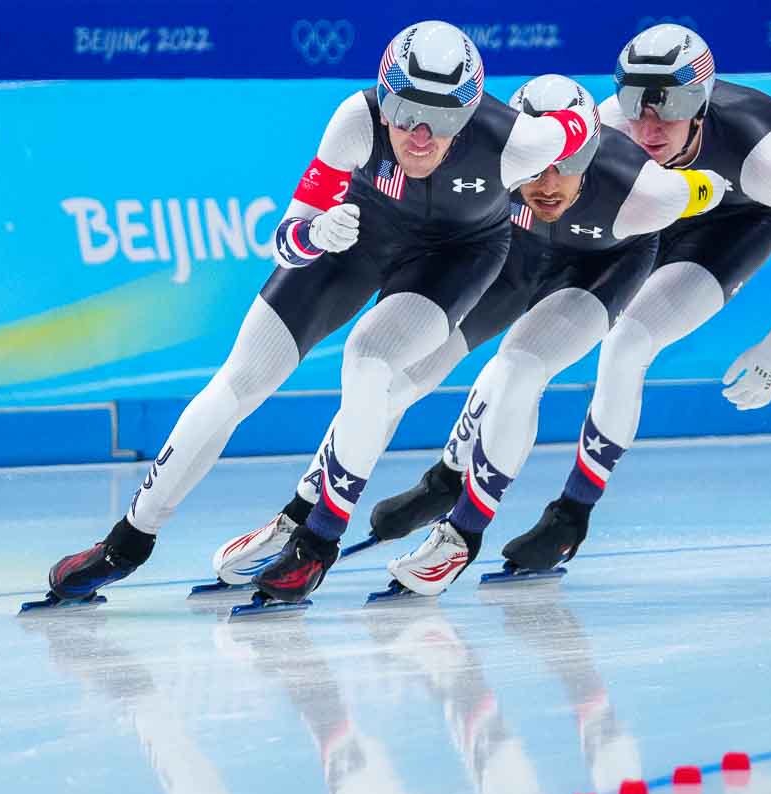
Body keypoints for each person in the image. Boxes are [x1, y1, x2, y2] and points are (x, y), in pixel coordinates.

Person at [31, 20, 608, 609]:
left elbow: (584, 123)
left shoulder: (518, 141)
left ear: (468, 114)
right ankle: (127, 540)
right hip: (357, 236)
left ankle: (316, 542)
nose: (417, 134)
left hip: (457, 257)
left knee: (368, 364)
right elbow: (285, 238)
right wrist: (314, 234)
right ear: (384, 100)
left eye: (441, 120)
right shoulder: (355, 121)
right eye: (405, 111)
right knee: (239, 381)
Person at [212, 74, 726, 597]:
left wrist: (718, 192)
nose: (548, 184)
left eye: (567, 167)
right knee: (395, 382)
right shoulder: (491, 161)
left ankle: (463, 533)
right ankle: (303, 514)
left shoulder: (646, 191)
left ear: (587, 155)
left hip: (600, 269)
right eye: (538, 168)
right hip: (516, 259)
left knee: (519, 368)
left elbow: (713, 189)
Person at [497, 23, 771, 573]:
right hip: (655, 208)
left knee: (627, 343)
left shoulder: (767, 161)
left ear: (702, 104)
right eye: (635, 104)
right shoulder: (603, 128)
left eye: (670, 106)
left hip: (735, 222)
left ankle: (570, 517)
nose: (648, 126)